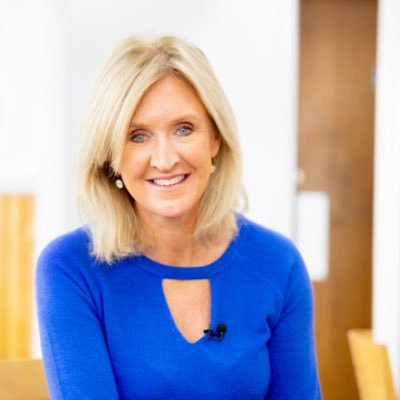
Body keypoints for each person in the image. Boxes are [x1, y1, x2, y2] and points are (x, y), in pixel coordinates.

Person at [36, 34, 322, 400]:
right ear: (110, 155)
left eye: (183, 129)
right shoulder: (71, 267)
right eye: (138, 136)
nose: (165, 158)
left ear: (215, 138)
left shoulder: (278, 264)